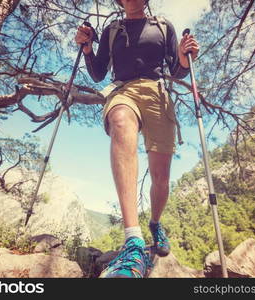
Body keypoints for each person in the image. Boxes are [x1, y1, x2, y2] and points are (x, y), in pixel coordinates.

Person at [75, 0, 199, 278]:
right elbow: (97, 73)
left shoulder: (163, 26)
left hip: (157, 93)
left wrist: (183, 56)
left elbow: (176, 71)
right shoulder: (112, 30)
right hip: (123, 91)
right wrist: (87, 48)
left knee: (160, 178)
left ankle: (155, 223)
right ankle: (133, 240)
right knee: (119, 121)